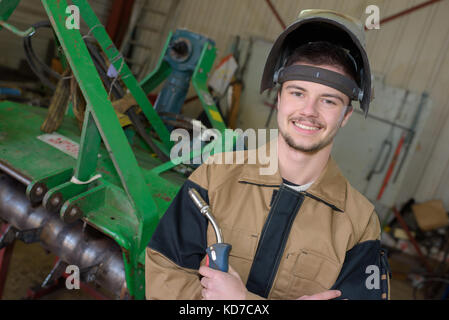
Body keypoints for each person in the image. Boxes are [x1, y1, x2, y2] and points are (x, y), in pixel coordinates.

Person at [145, 9, 391, 300]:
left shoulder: (359, 223)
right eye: (298, 93)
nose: (308, 112)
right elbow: (164, 277)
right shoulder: (215, 177)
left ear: (346, 115)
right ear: (279, 99)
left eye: (328, 100)